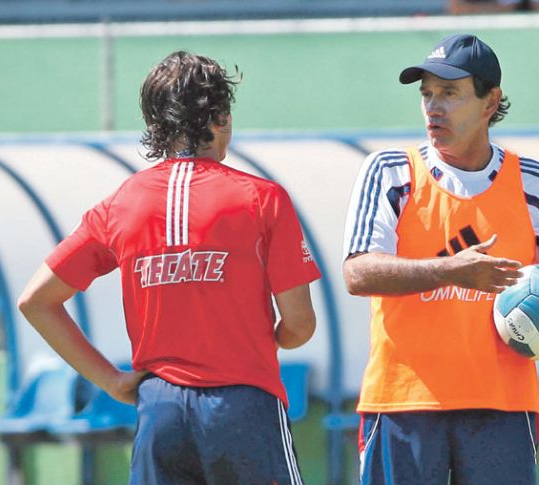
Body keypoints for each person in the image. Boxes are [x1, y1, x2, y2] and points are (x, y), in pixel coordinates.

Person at [17, 51, 320, 485]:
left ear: (155, 125)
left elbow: (35, 301)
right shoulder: (263, 198)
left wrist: (112, 382)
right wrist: (266, 340)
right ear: (222, 117)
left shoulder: (120, 203)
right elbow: (300, 325)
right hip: (243, 407)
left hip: (159, 410)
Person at [342, 34, 539, 484]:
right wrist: (450, 269)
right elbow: (357, 272)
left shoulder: (537, 184)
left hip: (503, 408)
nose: (432, 107)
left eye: (449, 93)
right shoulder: (390, 171)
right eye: (426, 94)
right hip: (403, 401)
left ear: (490, 102)